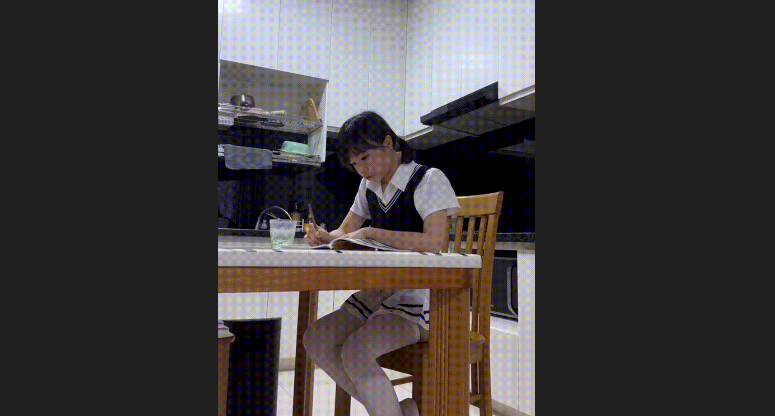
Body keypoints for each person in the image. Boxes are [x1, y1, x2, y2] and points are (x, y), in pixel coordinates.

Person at [302, 111, 460, 416]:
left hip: (423, 298)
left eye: (365, 158)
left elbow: (434, 242)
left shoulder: (428, 179)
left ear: (388, 143)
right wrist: (325, 237)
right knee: (317, 339)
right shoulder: (369, 186)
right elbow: (345, 230)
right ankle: (394, 412)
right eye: (354, 164)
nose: (361, 170)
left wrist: (372, 232)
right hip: (381, 293)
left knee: (355, 352)